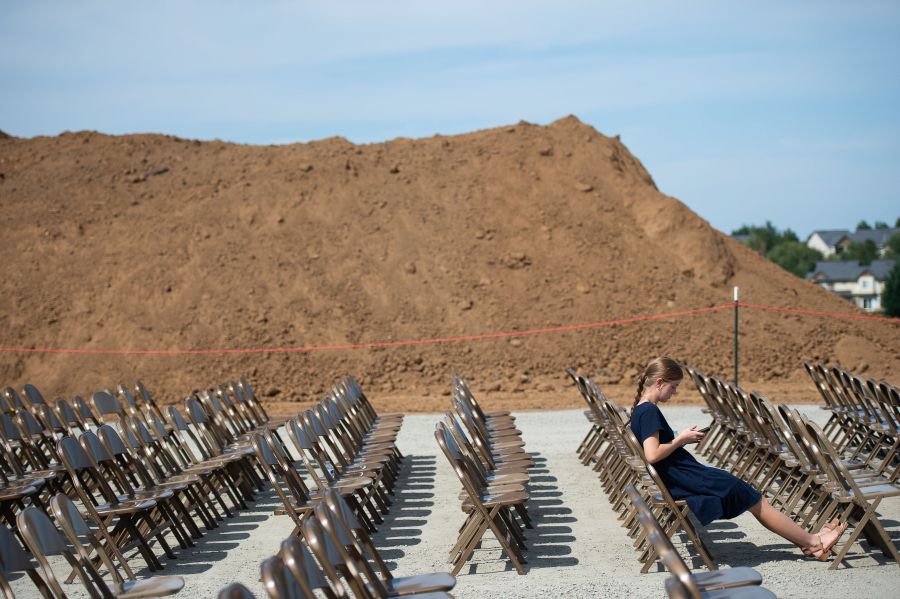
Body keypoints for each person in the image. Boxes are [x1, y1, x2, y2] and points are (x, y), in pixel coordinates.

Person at [629, 356, 844, 561]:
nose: (674, 392)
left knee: (752, 497)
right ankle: (813, 543)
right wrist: (680, 440)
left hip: (680, 476)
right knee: (755, 499)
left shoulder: (642, 408)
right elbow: (653, 454)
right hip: (685, 478)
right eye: (673, 386)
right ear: (659, 382)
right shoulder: (649, 410)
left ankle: (810, 541)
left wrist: (680, 440)